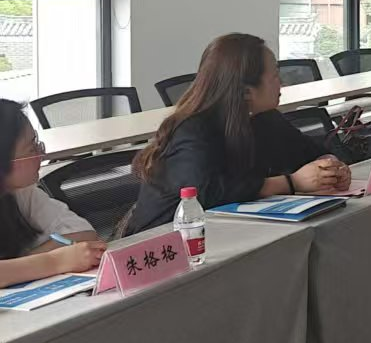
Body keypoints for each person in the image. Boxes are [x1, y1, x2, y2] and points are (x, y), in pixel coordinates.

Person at [127, 33, 350, 234]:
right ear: (246, 91)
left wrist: (331, 167)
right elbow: (206, 193)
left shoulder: (266, 118)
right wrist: (291, 182)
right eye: (275, 76)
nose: (282, 83)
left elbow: (311, 151)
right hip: (164, 241)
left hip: (230, 232)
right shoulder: (193, 128)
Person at [0, 99, 105, 285]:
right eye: (31, 149)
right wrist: (55, 261)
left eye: (37, 143)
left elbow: (83, 232)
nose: (41, 155)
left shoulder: (21, 193)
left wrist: (22, 266)